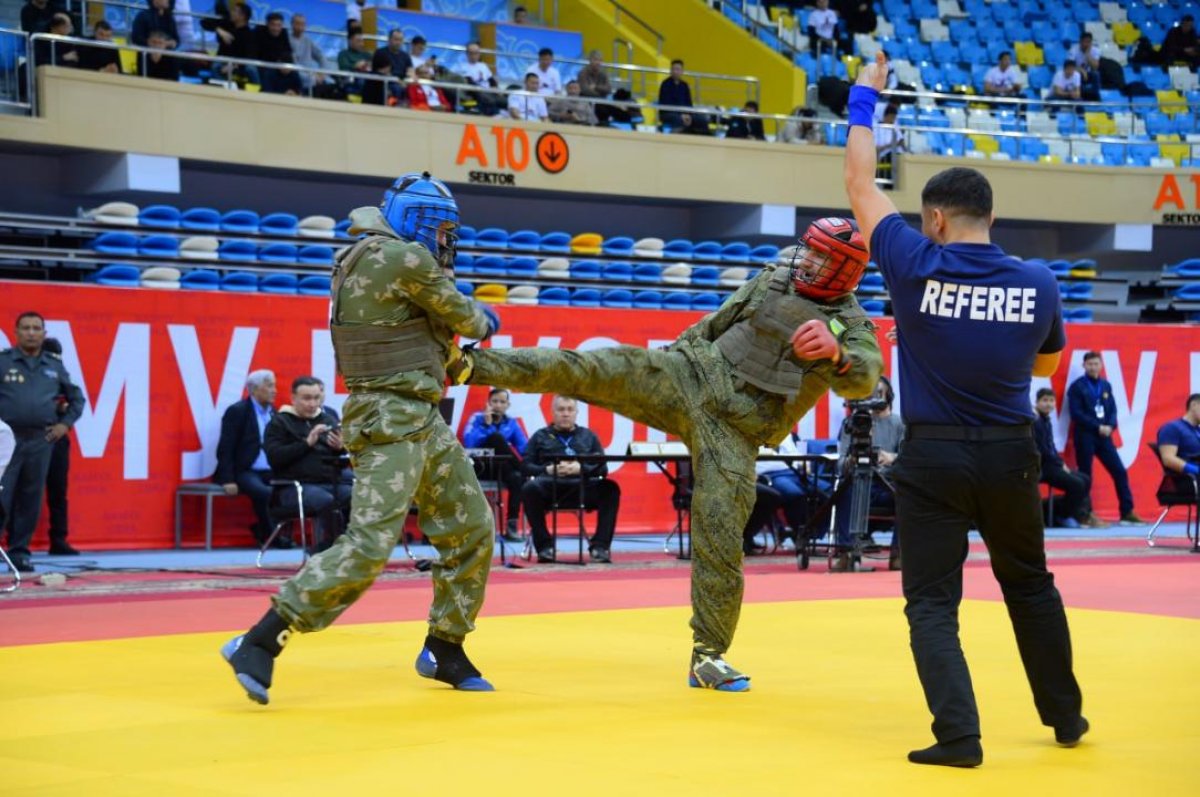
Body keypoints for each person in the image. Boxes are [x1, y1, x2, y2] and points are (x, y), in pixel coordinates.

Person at [446, 219, 882, 691]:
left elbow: (863, 377)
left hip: (734, 429)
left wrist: (838, 355)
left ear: (844, 272)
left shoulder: (851, 324)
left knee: (719, 532)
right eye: (808, 250)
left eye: (821, 257)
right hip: (688, 377)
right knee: (590, 366)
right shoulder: (774, 276)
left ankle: (708, 656)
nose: (806, 260)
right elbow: (716, 323)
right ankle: (468, 364)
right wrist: (673, 360)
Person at [842, 50, 1088, 767]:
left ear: (937, 219)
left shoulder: (915, 263)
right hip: (1013, 449)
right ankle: (1065, 716)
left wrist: (866, 93)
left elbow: (859, 181)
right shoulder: (1039, 280)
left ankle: (960, 735)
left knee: (931, 602)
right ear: (992, 215)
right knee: (1030, 584)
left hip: (936, 454)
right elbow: (1046, 363)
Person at [222, 172, 501, 704]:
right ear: (418, 222)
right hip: (390, 416)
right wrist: (486, 319)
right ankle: (261, 639)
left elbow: (417, 332)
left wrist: (451, 360)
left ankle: (445, 646)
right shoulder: (404, 258)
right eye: (441, 228)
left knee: (470, 524)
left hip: (418, 414)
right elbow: (469, 316)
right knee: (370, 542)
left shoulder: (363, 257)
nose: (447, 240)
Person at [0, 312, 84, 573]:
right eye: (26, 328)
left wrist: (64, 425)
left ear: (44, 334)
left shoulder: (54, 365)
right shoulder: (3, 362)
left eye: (37, 328)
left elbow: (77, 398)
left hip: (40, 439)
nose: (31, 333)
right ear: (16, 332)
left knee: (30, 498)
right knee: (2, 495)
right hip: (6, 438)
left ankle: (19, 552)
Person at [520, 396, 620, 563]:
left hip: (582, 487)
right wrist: (547, 469)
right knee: (529, 488)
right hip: (550, 487)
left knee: (610, 488)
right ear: (552, 412)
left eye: (569, 410)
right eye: (561, 410)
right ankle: (545, 547)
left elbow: (603, 468)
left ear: (576, 413)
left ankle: (600, 547)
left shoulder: (589, 436)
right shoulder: (539, 436)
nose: (565, 414)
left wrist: (582, 469)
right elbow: (525, 467)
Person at [263, 376, 350, 551]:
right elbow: (275, 458)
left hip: (330, 482)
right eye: (306, 398)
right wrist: (306, 443)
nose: (312, 404)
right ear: (293, 398)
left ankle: (354, 548)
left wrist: (340, 449)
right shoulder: (279, 422)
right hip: (293, 487)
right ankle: (329, 548)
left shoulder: (327, 420)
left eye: (316, 398)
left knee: (359, 496)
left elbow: (341, 463)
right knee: (326, 501)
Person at [832, 376, 902, 571]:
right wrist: (852, 459)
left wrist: (892, 458)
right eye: (870, 393)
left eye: (878, 393)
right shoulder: (852, 423)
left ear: (888, 395)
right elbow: (840, 463)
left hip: (888, 482)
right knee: (843, 491)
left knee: (907, 493)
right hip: (858, 481)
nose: (873, 398)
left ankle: (898, 553)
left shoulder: (900, 424)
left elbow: (910, 459)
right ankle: (847, 553)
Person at [1067, 351, 1143, 525]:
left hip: (1104, 437)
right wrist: (1097, 426)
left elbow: (1112, 410)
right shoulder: (1077, 387)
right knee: (1085, 476)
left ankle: (1127, 512)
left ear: (1101, 365)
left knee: (1119, 471)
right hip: (1085, 435)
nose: (1093, 367)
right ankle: (1087, 514)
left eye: (1096, 364)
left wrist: (1110, 426)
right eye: (1090, 364)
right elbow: (1076, 413)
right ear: (1084, 366)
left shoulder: (1106, 385)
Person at [214, 369, 282, 547]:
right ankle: (272, 537)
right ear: (254, 389)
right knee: (264, 493)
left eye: (274, 385)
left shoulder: (274, 412)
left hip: (271, 469)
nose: (275, 390)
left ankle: (263, 530)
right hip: (245, 470)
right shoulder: (238, 411)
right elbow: (226, 447)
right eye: (269, 386)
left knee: (288, 491)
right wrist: (227, 479)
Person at [461, 387, 527, 542]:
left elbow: (524, 447)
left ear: (507, 405)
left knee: (517, 477)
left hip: (501, 468)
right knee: (496, 438)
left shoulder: (511, 423)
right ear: (488, 403)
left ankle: (511, 527)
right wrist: (486, 425)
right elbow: (468, 442)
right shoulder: (477, 418)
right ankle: (525, 471)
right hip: (480, 467)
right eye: (495, 401)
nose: (498, 405)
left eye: (502, 402)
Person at [1034, 388, 1105, 529]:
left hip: (1052, 465)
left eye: (1051, 400)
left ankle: (1077, 514)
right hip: (1041, 467)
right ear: (1037, 403)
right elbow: (1043, 450)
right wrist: (1060, 464)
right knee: (1077, 484)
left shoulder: (1046, 420)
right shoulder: (1035, 421)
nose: (1048, 404)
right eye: (1044, 400)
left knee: (1085, 479)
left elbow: (1051, 446)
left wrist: (1060, 463)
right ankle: (1063, 515)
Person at [38, 337, 79, 555]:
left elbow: (76, 401)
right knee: (21, 491)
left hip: (56, 438)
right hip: (30, 438)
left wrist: (64, 422)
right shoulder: (26, 374)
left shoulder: (61, 374)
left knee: (58, 490)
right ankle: (14, 543)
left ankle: (59, 539)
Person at [1155, 392, 1200, 497]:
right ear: (1194, 405)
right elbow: (1168, 459)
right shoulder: (1172, 428)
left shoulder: (1198, 431)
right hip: (1185, 480)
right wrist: (1195, 470)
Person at [657, 59, 709, 134]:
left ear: (682, 71)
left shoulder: (685, 85)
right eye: (673, 69)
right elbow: (666, 103)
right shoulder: (665, 84)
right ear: (670, 71)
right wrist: (681, 115)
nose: (675, 71)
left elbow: (689, 103)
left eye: (678, 69)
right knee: (679, 120)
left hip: (685, 113)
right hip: (668, 113)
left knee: (701, 120)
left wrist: (688, 115)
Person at [255, 11, 300, 94]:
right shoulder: (259, 31)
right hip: (262, 65)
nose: (276, 28)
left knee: (294, 73)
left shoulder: (284, 33)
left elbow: (288, 52)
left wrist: (285, 64)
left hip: (279, 65)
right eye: (273, 25)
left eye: (279, 25)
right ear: (267, 24)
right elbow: (253, 52)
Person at [288, 13, 329, 92]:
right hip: (296, 74)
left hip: (311, 74)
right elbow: (294, 66)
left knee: (330, 82)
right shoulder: (287, 40)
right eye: (297, 24)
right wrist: (313, 77)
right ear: (292, 24)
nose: (300, 27)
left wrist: (322, 73)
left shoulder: (308, 40)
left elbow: (321, 56)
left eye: (303, 24)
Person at [456, 41, 499, 115]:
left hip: (487, 92)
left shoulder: (483, 66)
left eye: (476, 53)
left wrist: (495, 88)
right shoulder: (461, 67)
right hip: (474, 93)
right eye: (471, 53)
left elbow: (491, 80)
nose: (474, 56)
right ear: (467, 54)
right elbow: (467, 81)